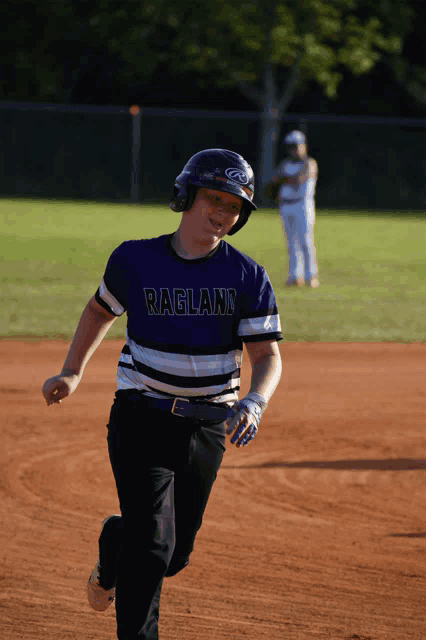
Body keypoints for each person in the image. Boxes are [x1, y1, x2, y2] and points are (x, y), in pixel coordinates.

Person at [41, 148, 283, 640]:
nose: (222, 212)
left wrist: (255, 401)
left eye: (233, 206)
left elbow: (267, 357)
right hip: (140, 415)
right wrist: (72, 371)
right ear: (187, 195)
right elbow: (98, 313)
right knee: (152, 548)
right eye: (213, 198)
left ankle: (115, 542)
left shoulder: (247, 276)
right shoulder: (135, 258)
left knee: (172, 554)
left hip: (208, 424)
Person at [268, 130, 319, 287]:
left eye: (296, 146)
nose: (294, 150)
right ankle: (295, 276)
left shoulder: (309, 162)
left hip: (302, 205)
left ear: (304, 146)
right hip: (286, 205)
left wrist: (283, 179)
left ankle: (311, 276)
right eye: (291, 146)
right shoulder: (285, 163)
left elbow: (300, 178)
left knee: (305, 241)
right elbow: (275, 181)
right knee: (291, 242)